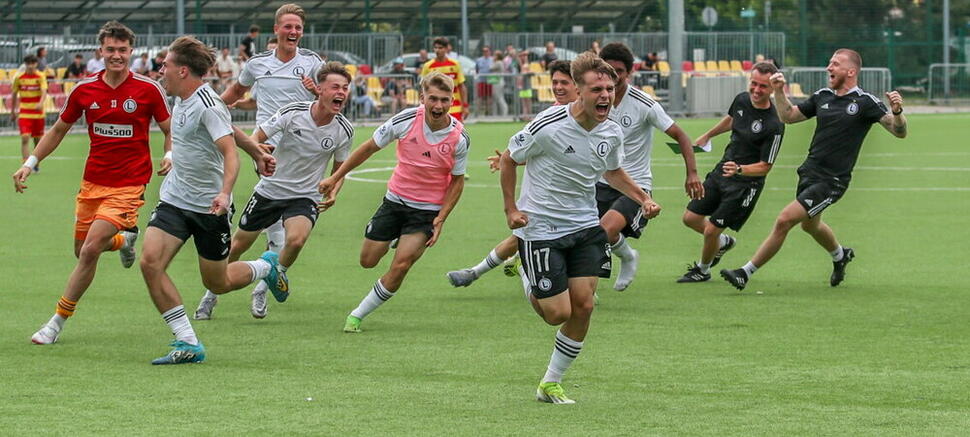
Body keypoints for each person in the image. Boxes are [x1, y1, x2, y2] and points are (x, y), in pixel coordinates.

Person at [499, 52, 658, 404]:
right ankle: (528, 272)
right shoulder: (548, 125)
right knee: (556, 313)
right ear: (579, 92)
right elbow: (510, 158)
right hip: (541, 227)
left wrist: (642, 198)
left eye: (609, 88)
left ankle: (550, 383)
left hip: (585, 226)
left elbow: (612, 172)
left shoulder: (612, 132)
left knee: (584, 306)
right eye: (597, 89)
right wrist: (511, 209)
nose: (605, 95)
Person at [13, 21, 173, 346]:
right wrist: (30, 162)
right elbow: (58, 129)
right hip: (92, 183)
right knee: (82, 250)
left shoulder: (148, 89)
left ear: (131, 51)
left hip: (129, 185)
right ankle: (123, 242)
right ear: (100, 51)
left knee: (88, 251)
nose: (117, 56)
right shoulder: (85, 90)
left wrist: (170, 155)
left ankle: (56, 321)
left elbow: (170, 129)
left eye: (123, 50)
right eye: (111, 50)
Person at [720, 49, 907, 290]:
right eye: (829, 62)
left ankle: (745, 273)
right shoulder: (823, 96)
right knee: (810, 225)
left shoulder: (865, 102)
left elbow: (898, 131)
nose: (829, 67)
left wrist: (898, 113)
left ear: (850, 71)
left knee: (784, 220)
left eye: (835, 64)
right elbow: (788, 116)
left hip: (832, 181)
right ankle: (841, 255)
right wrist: (778, 90)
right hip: (809, 173)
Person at [141, 36, 278, 364]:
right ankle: (187, 341)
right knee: (150, 263)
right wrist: (256, 149)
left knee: (217, 281)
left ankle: (265, 266)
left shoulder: (207, 102)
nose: (162, 70)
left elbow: (228, 153)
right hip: (174, 200)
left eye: (167, 65)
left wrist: (225, 192)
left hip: (209, 208)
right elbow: (229, 129)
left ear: (183, 70)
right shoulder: (183, 98)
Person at [318, 72, 469, 334]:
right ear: (422, 98)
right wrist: (335, 178)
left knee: (401, 265)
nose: (438, 106)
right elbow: (368, 148)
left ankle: (357, 315)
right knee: (368, 260)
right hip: (395, 201)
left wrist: (441, 218)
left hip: (426, 212)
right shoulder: (406, 120)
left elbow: (457, 181)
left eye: (445, 100)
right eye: (432, 99)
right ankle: (393, 236)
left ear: (451, 100)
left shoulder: (459, 137)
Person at [212, 3, 323, 318]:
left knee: (278, 231)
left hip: (303, 151)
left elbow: (330, 99)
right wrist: (211, 110)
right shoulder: (258, 64)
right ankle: (237, 288)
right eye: (288, 26)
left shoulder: (312, 63)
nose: (293, 32)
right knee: (274, 231)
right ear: (276, 30)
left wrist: (316, 92)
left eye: (298, 28)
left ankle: (259, 284)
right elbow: (237, 91)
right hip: (266, 149)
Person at [446, 60, 579, 289]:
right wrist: (509, 160)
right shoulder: (548, 117)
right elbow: (531, 152)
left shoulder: (591, 118)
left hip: (577, 197)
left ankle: (481, 272)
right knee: (522, 236)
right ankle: (481, 272)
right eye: (555, 82)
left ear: (579, 86)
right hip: (545, 196)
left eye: (564, 82)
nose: (557, 87)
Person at [595, 42, 703, 291]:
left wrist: (692, 174)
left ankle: (626, 258)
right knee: (588, 235)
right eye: (608, 70)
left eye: (619, 71)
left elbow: (681, 136)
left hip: (635, 185)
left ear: (629, 73)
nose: (614, 76)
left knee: (604, 230)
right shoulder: (594, 99)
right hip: (600, 181)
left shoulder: (644, 104)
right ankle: (626, 255)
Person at [677, 62, 785, 283]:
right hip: (722, 171)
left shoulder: (775, 124)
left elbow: (766, 166)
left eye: (763, 86)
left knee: (710, 231)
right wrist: (708, 135)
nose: (756, 90)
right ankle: (723, 242)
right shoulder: (742, 99)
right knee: (690, 218)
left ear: (772, 88)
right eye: (753, 83)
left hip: (745, 185)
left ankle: (703, 270)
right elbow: (733, 119)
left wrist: (740, 169)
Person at [11, 55, 48, 170]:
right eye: (28, 63)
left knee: (37, 140)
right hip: (24, 112)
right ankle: (26, 164)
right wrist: (13, 111)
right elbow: (13, 94)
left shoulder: (40, 76)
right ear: (25, 64)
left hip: (38, 113)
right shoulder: (19, 77)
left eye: (33, 63)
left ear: (36, 64)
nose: (31, 66)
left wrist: (41, 103)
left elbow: (44, 91)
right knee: (25, 137)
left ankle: (35, 162)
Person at [420, 36, 469, 121]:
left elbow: (461, 86)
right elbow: (423, 87)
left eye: (440, 48)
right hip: (436, 107)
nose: (437, 50)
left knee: (457, 133)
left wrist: (465, 106)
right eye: (435, 48)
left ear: (446, 49)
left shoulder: (455, 64)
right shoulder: (428, 66)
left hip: (455, 107)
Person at [489, 50, 509, 116]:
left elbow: (490, 68)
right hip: (495, 82)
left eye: (495, 55)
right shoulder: (499, 62)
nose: (493, 56)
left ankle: (504, 113)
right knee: (494, 98)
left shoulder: (498, 62)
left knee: (499, 97)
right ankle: (494, 114)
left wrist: (492, 61)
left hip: (498, 82)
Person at [475, 45, 493, 114]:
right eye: (484, 51)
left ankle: (488, 111)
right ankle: (478, 112)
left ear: (489, 51)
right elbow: (477, 69)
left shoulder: (492, 59)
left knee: (489, 97)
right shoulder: (479, 60)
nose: (485, 52)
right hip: (481, 81)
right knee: (480, 96)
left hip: (490, 81)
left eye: (486, 51)